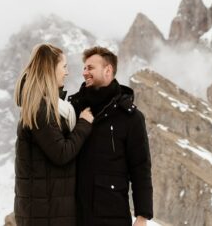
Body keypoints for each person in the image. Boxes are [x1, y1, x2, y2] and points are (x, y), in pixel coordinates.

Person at [68, 46, 153, 226]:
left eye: (90, 68)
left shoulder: (131, 117)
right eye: (84, 68)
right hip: (73, 215)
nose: (84, 73)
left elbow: (140, 167)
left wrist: (142, 215)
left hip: (112, 216)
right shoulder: (74, 109)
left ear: (108, 70)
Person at [14, 43, 95, 226]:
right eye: (64, 67)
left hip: (49, 210)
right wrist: (84, 123)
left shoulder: (49, 106)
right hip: (46, 215)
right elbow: (61, 153)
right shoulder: (40, 109)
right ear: (51, 69)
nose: (66, 72)